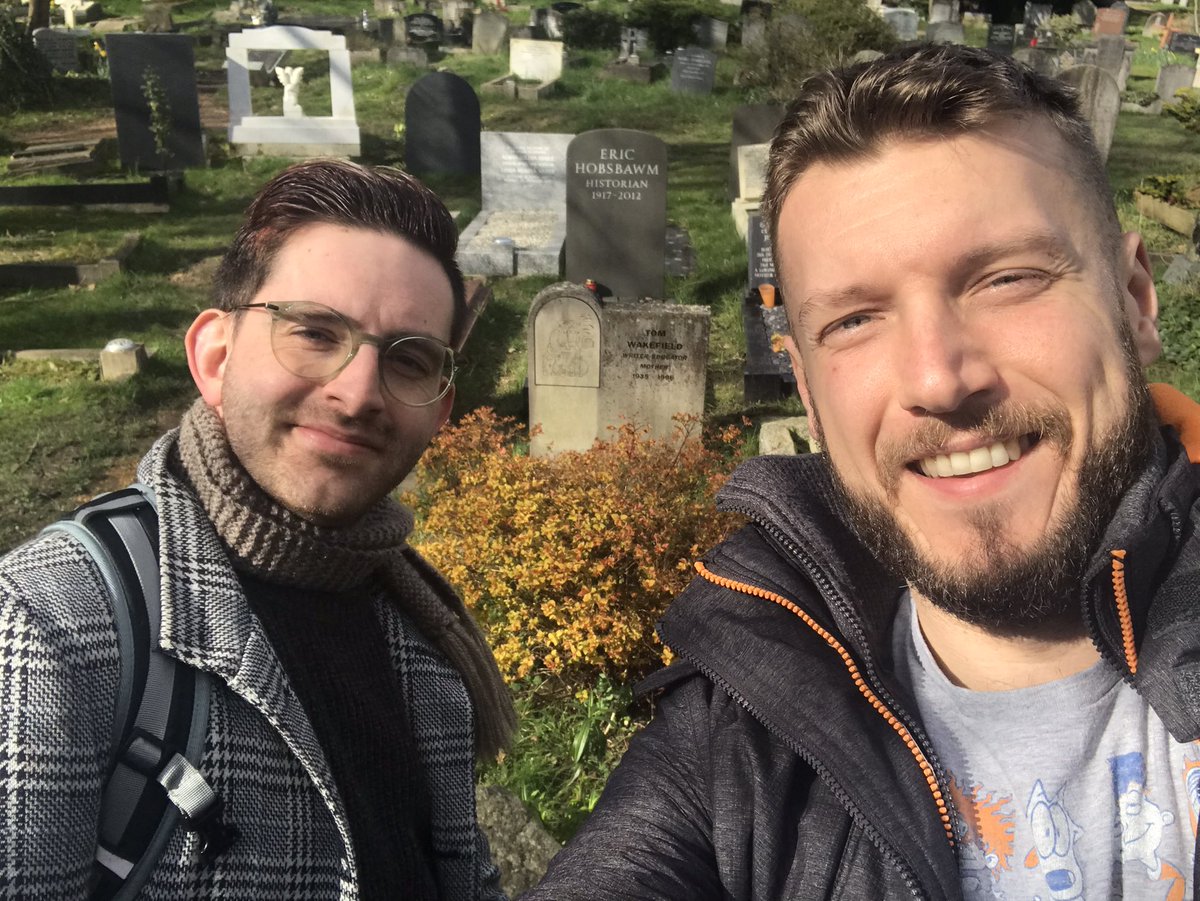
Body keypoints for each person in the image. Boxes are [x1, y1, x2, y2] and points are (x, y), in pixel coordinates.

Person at [528, 43, 1200, 900]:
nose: (936, 379)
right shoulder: (739, 733)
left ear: (1135, 303)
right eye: (852, 321)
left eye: (1005, 277)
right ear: (807, 391)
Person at [0, 159, 515, 899]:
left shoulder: (421, 635)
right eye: (313, 331)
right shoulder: (52, 628)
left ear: (439, 408)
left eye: (408, 359)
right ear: (214, 356)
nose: (358, 392)